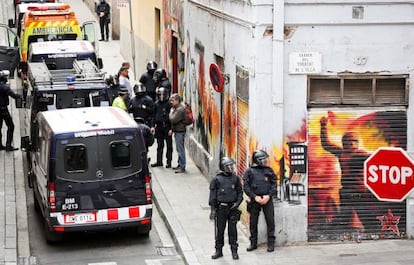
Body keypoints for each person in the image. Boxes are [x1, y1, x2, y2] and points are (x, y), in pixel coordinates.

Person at [320, 116, 374, 232]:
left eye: (352, 141)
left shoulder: (360, 154)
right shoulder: (342, 153)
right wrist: (323, 126)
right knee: (345, 215)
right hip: (347, 191)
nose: (349, 144)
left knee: (364, 215)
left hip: (359, 191)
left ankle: (372, 231)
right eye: (347, 141)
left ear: (356, 143)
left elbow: (377, 159)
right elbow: (326, 144)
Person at [209, 157, 243, 260]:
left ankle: (234, 251)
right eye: (230, 166)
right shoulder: (216, 179)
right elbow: (213, 196)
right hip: (221, 209)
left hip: (232, 208)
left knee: (233, 231)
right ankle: (218, 250)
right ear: (224, 167)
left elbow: (240, 193)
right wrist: (213, 210)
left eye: (232, 166)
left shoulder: (235, 178)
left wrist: (237, 203)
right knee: (220, 231)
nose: (232, 168)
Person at [243, 149, 277, 252]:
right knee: (253, 223)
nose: (266, 161)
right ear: (258, 160)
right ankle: (253, 243)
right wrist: (254, 197)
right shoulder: (249, 171)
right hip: (255, 201)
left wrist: (268, 196)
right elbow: (246, 187)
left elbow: (274, 184)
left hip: (267, 199)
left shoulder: (269, 170)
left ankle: (271, 244)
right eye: (263, 159)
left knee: (270, 221)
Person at [150, 87, 173, 168]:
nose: (162, 97)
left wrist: (171, 128)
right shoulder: (156, 104)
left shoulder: (169, 104)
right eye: (160, 95)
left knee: (169, 145)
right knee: (160, 145)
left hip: (167, 126)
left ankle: (169, 162)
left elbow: (172, 117)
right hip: (159, 127)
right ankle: (159, 161)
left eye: (163, 95)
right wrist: (152, 126)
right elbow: (153, 115)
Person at [0, 70, 22, 151]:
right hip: (3, 110)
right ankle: (8, 145)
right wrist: (19, 96)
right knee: (11, 126)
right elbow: (13, 95)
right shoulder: (4, 87)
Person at [168, 93, 187, 173]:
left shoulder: (180, 109)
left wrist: (171, 113)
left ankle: (182, 166)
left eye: (173, 100)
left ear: (177, 100)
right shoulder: (176, 108)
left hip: (180, 131)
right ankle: (180, 164)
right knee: (179, 148)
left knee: (180, 149)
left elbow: (173, 119)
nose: (171, 102)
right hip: (177, 130)